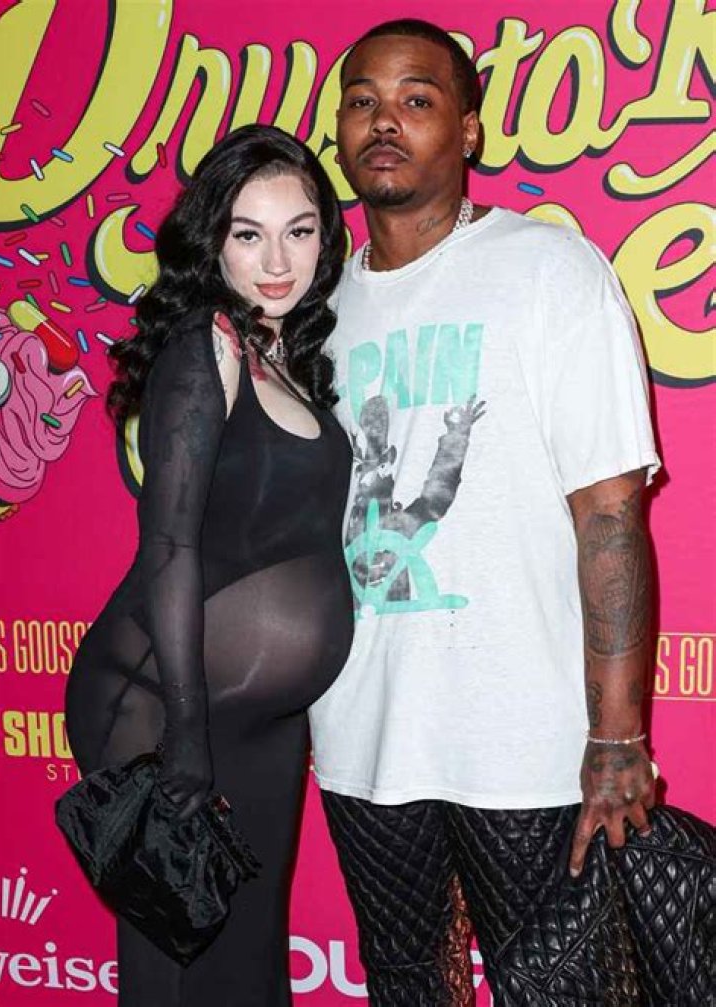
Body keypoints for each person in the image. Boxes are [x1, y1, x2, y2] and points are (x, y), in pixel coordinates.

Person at [308, 19, 662, 1005]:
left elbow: (610, 516)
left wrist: (617, 739)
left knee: (566, 990)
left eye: (417, 99)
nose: (385, 120)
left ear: (467, 130)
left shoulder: (550, 271)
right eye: (363, 101)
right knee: (407, 986)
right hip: (361, 735)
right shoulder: (315, 310)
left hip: (528, 744)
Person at [65, 124, 353, 1007]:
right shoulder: (208, 345)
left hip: (259, 717)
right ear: (212, 240)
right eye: (248, 233)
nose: (278, 260)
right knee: (177, 974)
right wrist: (184, 731)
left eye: (299, 230)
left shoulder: (284, 352)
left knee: (248, 960)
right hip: (160, 704)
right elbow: (169, 545)